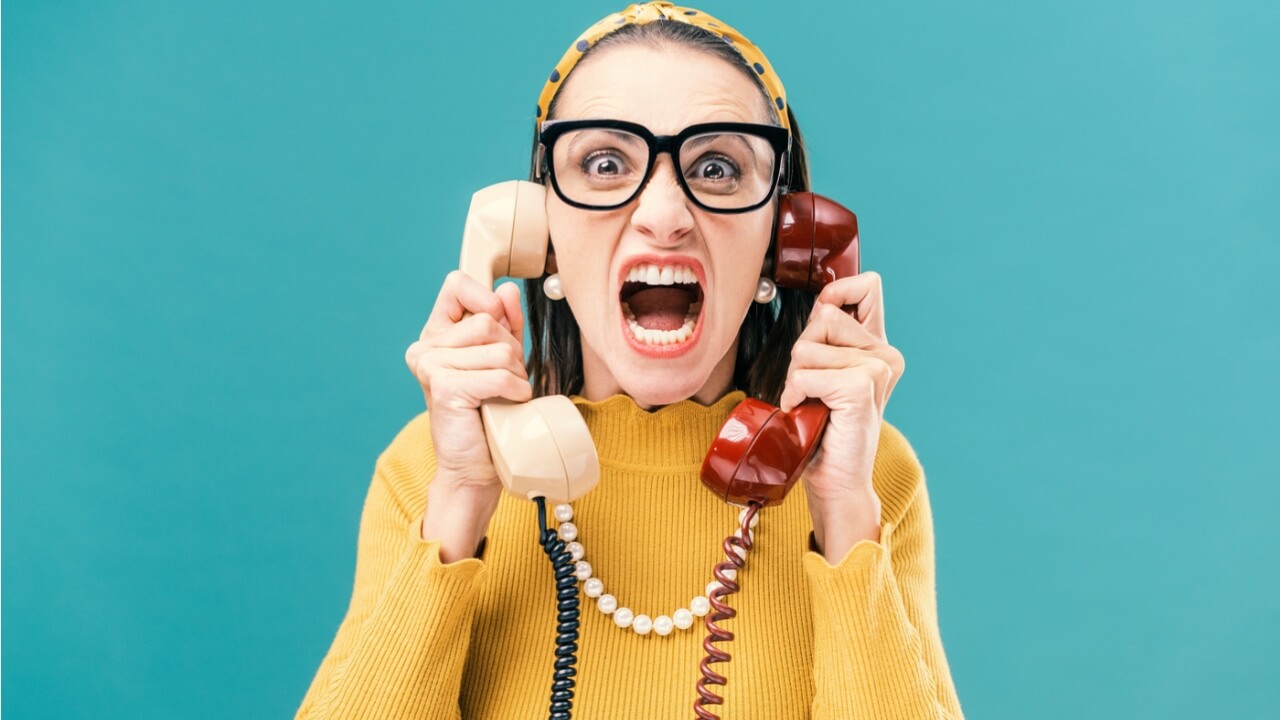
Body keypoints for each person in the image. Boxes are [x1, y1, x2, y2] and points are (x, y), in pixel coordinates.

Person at [296, 3, 964, 718]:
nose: (664, 214)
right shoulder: (428, 472)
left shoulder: (871, 478)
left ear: (785, 241)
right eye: (606, 163)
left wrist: (840, 511)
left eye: (716, 166)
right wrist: (460, 499)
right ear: (536, 233)